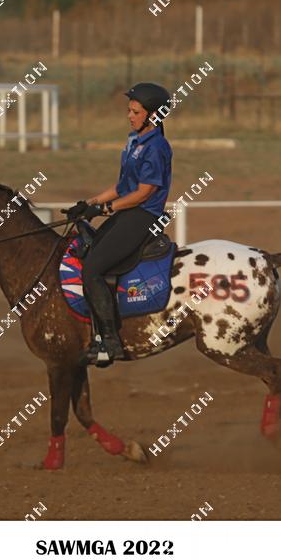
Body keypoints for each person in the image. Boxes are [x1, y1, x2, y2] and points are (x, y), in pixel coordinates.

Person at [66, 82, 173, 367]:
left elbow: (144, 193)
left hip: (143, 216)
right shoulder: (134, 141)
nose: (129, 116)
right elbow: (122, 186)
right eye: (129, 111)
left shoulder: (156, 147)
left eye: (135, 112)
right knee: (88, 253)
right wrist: (89, 203)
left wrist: (105, 209)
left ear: (153, 115)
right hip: (128, 213)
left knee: (92, 269)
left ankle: (110, 341)